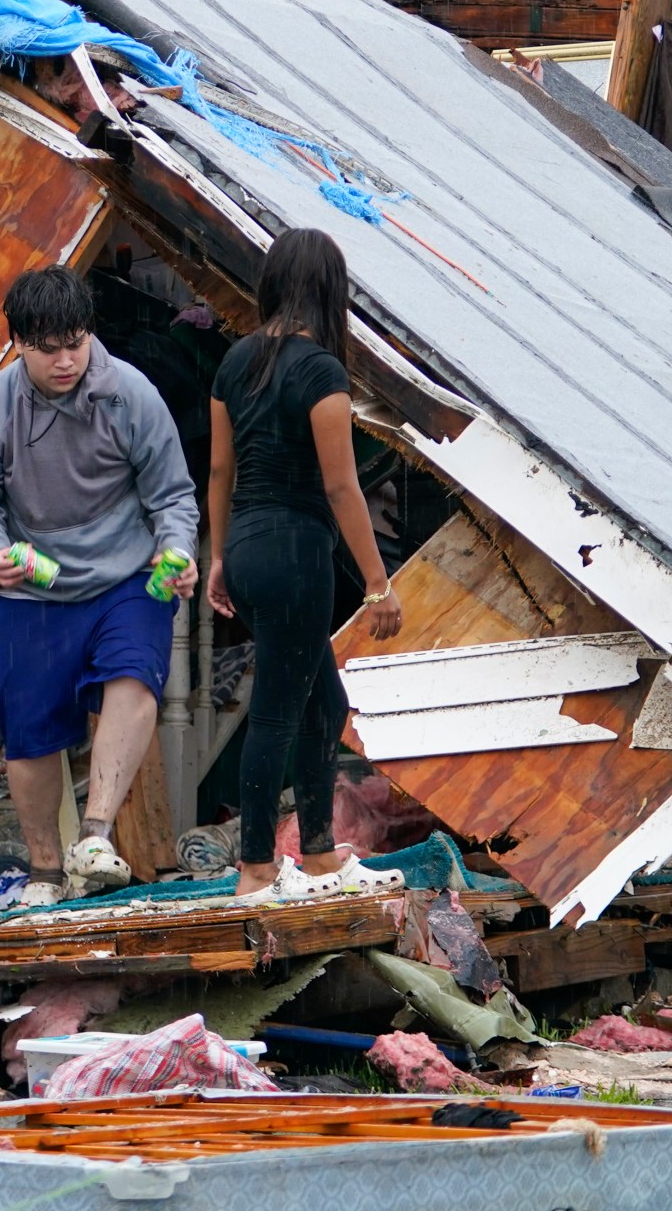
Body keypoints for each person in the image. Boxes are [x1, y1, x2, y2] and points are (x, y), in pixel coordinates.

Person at [0, 267, 200, 908]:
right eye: (49, 347)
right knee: (27, 728)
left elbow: (173, 495)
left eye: (76, 342)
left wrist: (177, 551)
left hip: (126, 575)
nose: (66, 360)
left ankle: (94, 835)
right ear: (17, 344)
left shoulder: (131, 395)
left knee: (133, 675)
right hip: (31, 584)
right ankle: (43, 871)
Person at [204, 228, 405, 903]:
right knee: (276, 714)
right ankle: (257, 869)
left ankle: (317, 856)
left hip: (249, 549)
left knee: (325, 703)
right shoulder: (321, 371)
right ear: (330, 293)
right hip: (296, 554)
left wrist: (217, 557)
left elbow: (220, 470)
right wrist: (379, 585)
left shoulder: (234, 363)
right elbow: (343, 487)